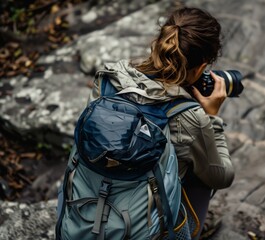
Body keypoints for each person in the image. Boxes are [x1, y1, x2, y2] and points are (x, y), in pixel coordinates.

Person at [88, 7, 234, 240]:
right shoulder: (189, 117)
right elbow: (222, 177)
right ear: (202, 66)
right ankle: (186, 227)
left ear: (160, 41)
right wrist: (212, 119)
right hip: (138, 227)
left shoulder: (110, 78)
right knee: (203, 170)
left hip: (88, 206)